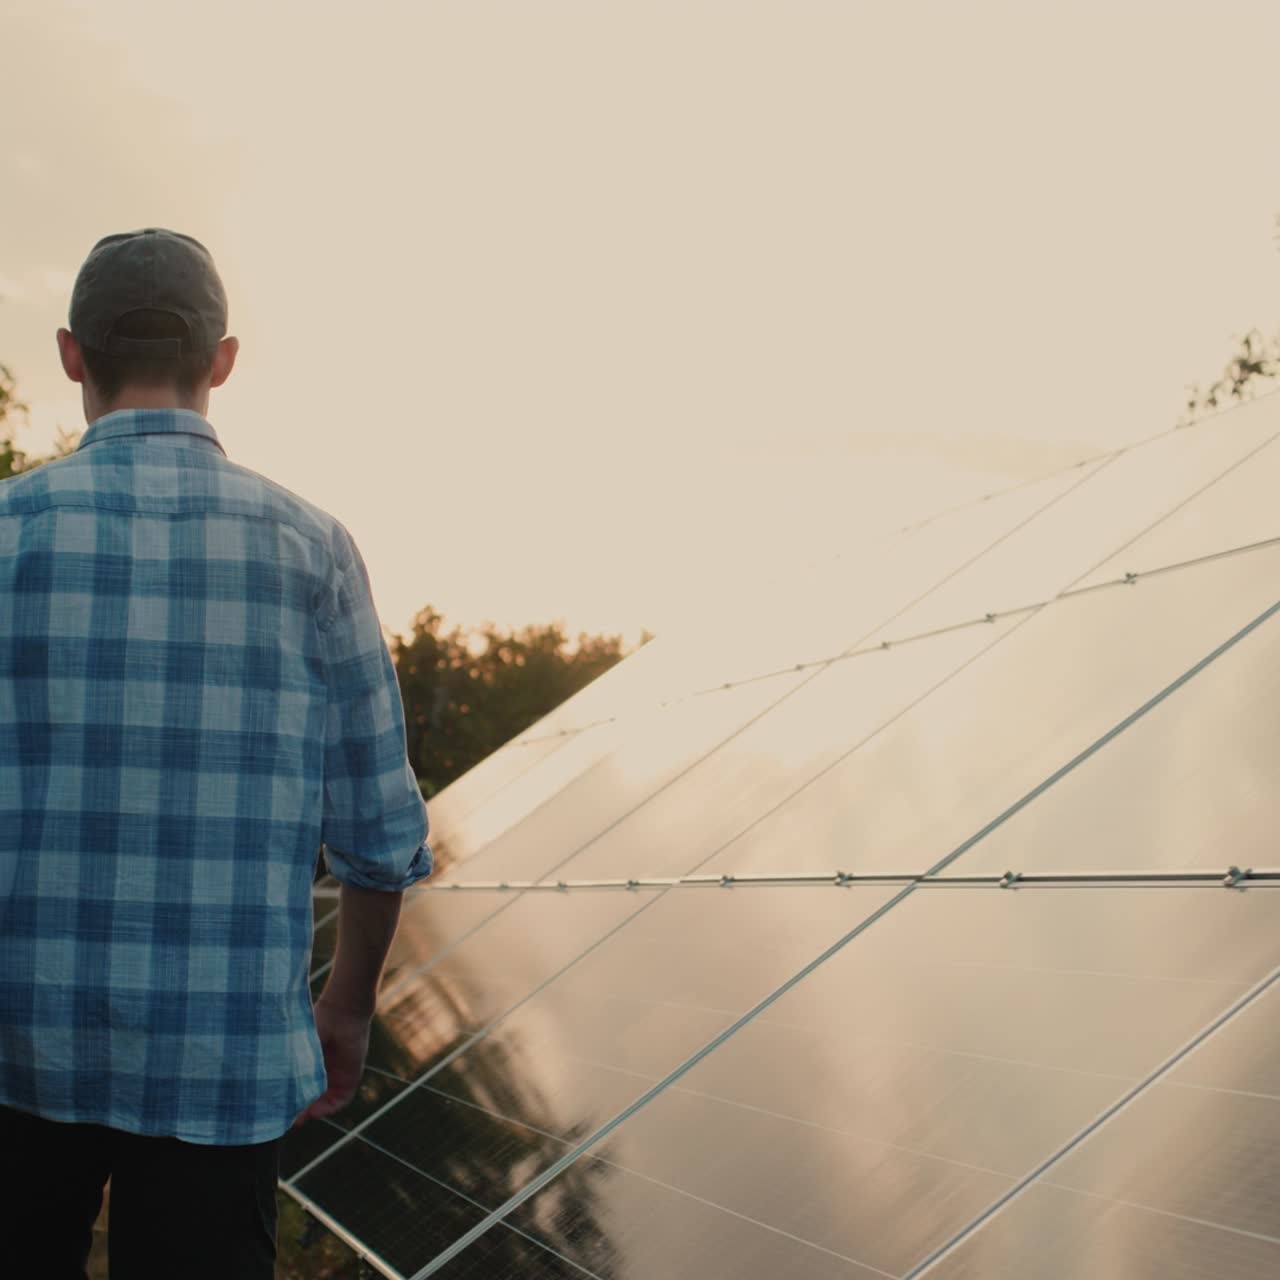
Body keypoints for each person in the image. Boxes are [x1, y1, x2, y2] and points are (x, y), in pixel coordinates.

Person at [0, 228, 431, 1278]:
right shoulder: (315, 548)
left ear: (71, 353)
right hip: (225, 1060)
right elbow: (380, 837)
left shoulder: (8, 533)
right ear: (222, 360)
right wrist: (345, 1008)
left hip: (17, 1053)